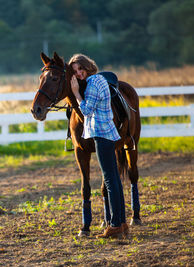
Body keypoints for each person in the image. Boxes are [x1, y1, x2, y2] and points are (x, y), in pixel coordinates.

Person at [69, 54, 128, 238]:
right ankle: (122, 222)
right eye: (75, 71)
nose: (79, 74)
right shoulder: (100, 80)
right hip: (107, 133)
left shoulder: (93, 84)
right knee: (114, 179)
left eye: (81, 69)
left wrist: (76, 92)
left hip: (101, 135)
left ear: (88, 66)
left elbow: (86, 110)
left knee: (110, 180)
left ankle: (115, 225)